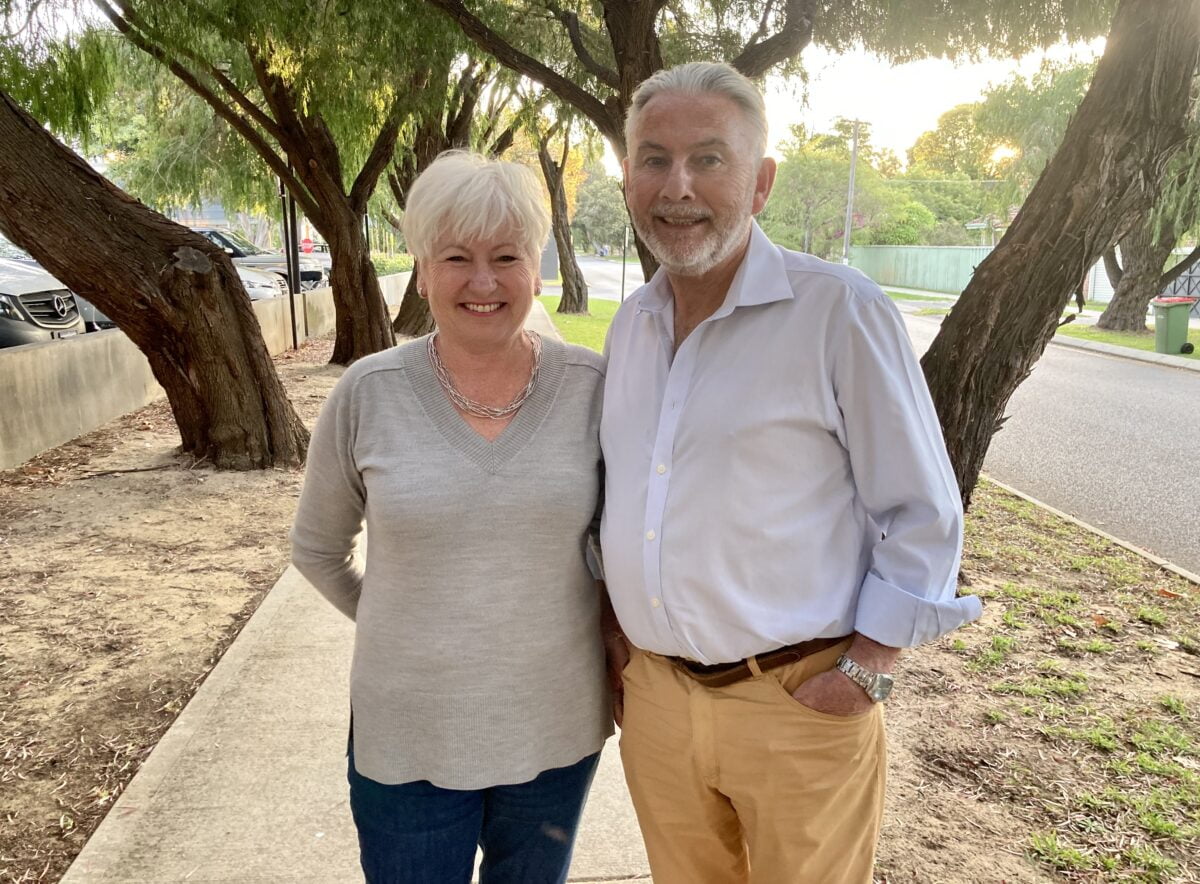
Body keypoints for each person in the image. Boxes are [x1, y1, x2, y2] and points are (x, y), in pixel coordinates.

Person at [599, 62, 983, 883]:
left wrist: (868, 669)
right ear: (627, 177)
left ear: (762, 182)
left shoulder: (839, 311)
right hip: (660, 705)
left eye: (709, 159)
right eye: (654, 159)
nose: (678, 187)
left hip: (798, 701)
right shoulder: (629, 328)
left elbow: (923, 512)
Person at [290, 151, 611, 884]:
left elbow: (621, 540)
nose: (484, 281)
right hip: (408, 733)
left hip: (554, 729)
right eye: (456, 257)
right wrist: (401, 622)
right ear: (423, 267)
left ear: (537, 264)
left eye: (507, 257)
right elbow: (316, 549)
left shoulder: (594, 388)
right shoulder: (369, 394)